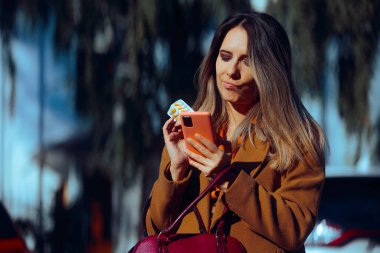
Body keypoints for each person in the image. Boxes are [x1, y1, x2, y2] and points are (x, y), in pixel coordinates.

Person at [145, 11, 326, 253]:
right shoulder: (192, 128)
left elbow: (294, 229)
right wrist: (176, 172)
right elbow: (155, 228)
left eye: (247, 61)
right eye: (225, 56)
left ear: (271, 70)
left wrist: (228, 178)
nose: (232, 71)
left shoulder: (298, 138)